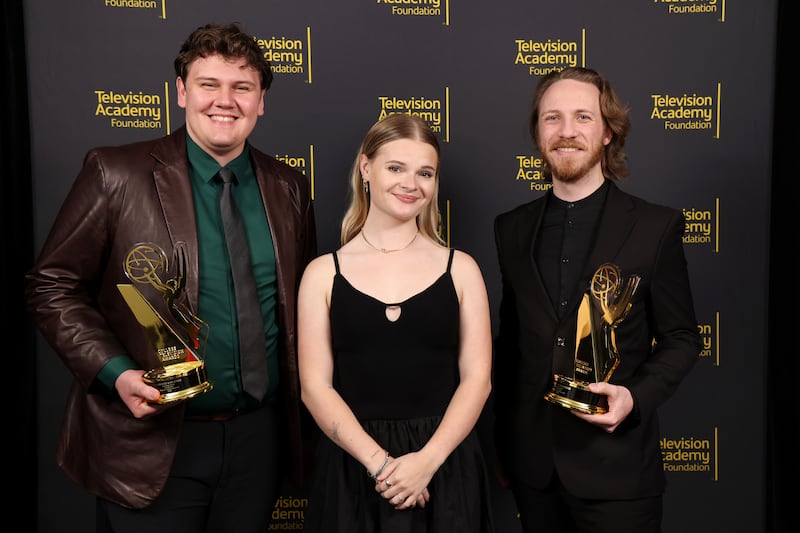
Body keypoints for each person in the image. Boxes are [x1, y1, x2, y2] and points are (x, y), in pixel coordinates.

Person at [24, 22, 317, 533]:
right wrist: (115, 372)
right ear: (181, 91)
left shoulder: (288, 187)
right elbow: (52, 285)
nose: (224, 101)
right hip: (154, 441)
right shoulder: (116, 174)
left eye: (242, 87)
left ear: (261, 100)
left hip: (258, 443)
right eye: (209, 84)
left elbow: (303, 309)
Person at [492, 66, 702, 533]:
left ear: (608, 131)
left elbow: (683, 337)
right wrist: (502, 446)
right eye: (553, 118)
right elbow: (512, 345)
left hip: (619, 474)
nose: (567, 132)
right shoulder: (510, 229)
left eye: (583, 117)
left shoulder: (655, 227)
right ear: (538, 132)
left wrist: (635, 396)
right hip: (534, 469)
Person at [297, 113, 496, 532]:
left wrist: (426, 462)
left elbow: (477, 380)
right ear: (366, 169)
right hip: (353, 468)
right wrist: (382, 466)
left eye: (425, 172)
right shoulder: (322, 273)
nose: (412, 184)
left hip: (444, 468)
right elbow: (315, 387)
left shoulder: (460, 269)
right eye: (396, 168)